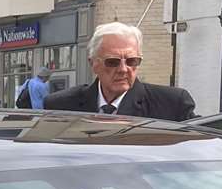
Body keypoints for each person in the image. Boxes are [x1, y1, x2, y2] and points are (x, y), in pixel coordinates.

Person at [44, 23, 196, 119]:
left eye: (132, 61)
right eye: (112, 62)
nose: (123, 69)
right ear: (93, 64)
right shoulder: (60, 106)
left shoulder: (172, 104)